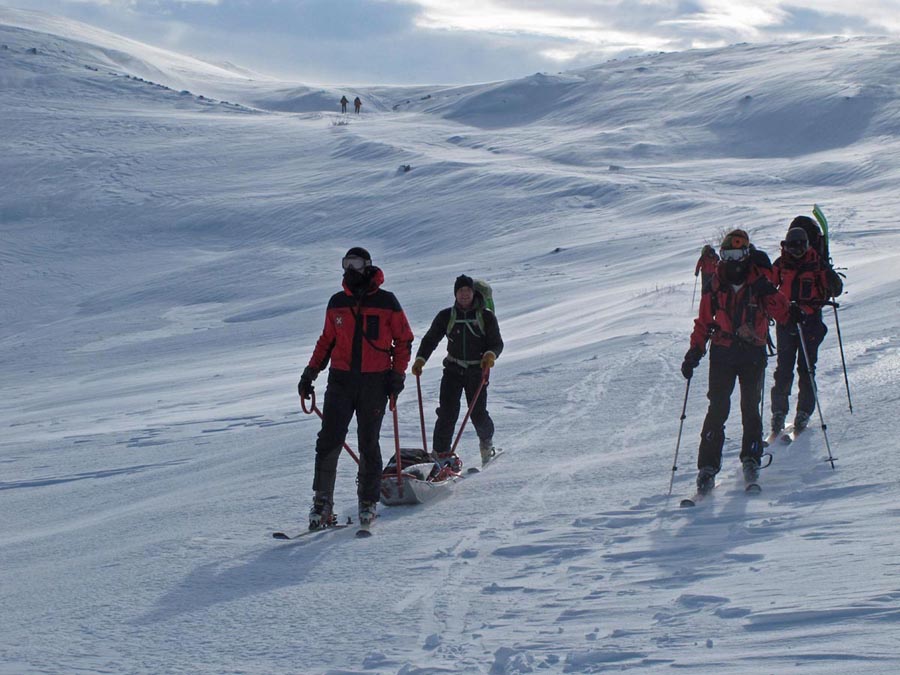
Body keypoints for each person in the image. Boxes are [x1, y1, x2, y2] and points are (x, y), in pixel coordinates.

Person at [298, 247, 414, 529]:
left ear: (368, 266)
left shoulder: (387, 302)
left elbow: (404, 340)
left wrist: (397, 376)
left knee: (368, 442)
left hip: (375, 382)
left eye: (357, 263)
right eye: (346, 263)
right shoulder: (337, 302)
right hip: (340, 381)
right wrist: (310, 373)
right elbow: (327, 341)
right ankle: (322, 502)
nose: (351, 269)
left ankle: (367, 501)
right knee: (328, 440)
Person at [681, 229, 789, 493]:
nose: (732, 259)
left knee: (751, 408)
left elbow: (783, 313)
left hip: (752, 352)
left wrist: (770, 292)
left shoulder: (760, 280)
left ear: (746, 253)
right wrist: (694, 350)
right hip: (722, 353)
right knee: (717, 409)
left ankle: (751, 458)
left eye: (737, 253)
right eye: (727, 253)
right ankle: (707, 468)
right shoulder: (716, 283)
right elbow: (704, 321)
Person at [411, 275, 503, 467]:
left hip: (477, 370)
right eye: (460, 291)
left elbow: (496, 343)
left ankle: (486, 444)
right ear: (455, 293)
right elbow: (430, 339)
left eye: (467, 291)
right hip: (452, 369)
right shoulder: (446, 315)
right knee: (447, 413)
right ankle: (440, 455)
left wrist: (490, 355)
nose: (464, 295)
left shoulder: (486, 316)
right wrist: (420, 359)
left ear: (473, 293)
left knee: (477, 413)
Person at [769, 221, 843, 436]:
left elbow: (835, 290)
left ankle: (804, 411)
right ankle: (779, 413)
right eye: (792, 247)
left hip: (810, 322)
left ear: (807, 245)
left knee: (807, 368)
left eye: (800, 247)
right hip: (786, 322)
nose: (796, 252)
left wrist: (831, 279)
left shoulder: (817, 264)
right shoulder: (780, 264)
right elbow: (767, 287)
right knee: (783, 369)